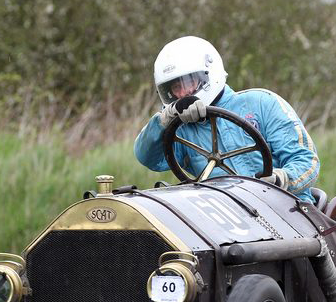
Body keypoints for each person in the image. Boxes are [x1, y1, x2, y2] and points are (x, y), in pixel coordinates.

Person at [134, 36, 320, 204]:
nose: (182, 93)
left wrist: (281, 180)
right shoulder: (179, 129)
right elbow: (148, 158)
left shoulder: (262, 103)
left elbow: (306, 161)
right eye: (175, 88)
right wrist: (163, 121)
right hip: (223, 219)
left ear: (209, 74)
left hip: (287, 209)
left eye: (188, 82)